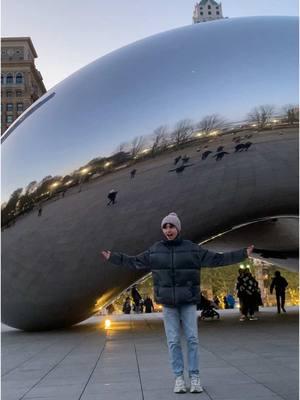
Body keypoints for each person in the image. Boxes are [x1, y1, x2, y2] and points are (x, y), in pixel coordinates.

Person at [101, 212, 254, 393]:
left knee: (192, 340)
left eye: (171, 226)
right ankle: (179, 378)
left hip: (188, 302)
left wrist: (242, 254)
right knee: (173, 341)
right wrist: (114, 257)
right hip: (168, 304)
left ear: (178, 229)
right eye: (165, 227)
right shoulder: (155, 250)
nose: (168, 230)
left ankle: (195, 377)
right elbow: (134, 262)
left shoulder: (191, 249)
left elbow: (217, 259)